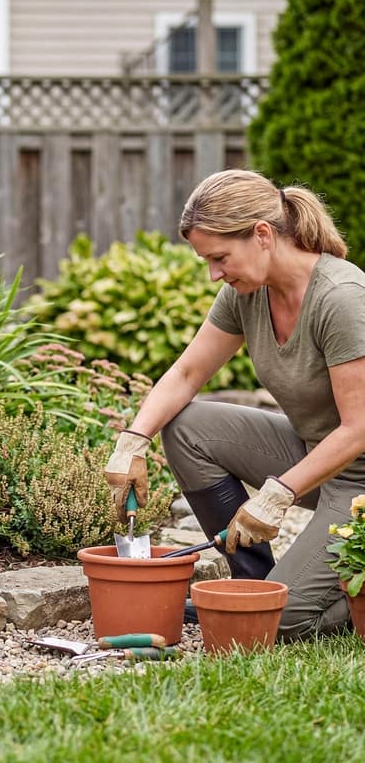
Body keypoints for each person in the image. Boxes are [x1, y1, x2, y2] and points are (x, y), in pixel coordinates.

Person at [104, 168, 365, 641]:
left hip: (359, 478)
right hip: (317, 456)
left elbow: (359, 427)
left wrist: (278, 493)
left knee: (275, 624)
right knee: (188, 427)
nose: (214, 273)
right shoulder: (247, 293)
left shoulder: (341, 299)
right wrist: (132, 441)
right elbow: (187, 374)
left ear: (262, 234)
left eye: (220, 258)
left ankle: (313, 603)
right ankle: (253, 582)